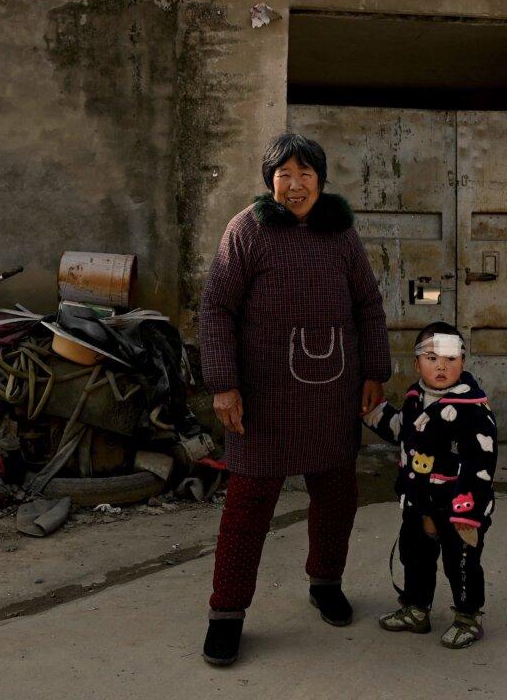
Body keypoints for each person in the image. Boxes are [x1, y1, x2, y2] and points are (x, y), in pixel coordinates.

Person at [198, 132, 390, 666]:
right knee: (247, 508)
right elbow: (216, 309)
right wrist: (223, 382)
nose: (296, 184)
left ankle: (325, 583)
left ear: (322, 182)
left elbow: (368, 305)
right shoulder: (248, 230)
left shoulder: (342, 234)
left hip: (333, 395)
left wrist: (376, 370)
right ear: (270, 181)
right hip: (261, 400)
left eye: (306, 174)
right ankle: (226, 615)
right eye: (285, 174)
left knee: (336, 497)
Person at [361, 322, 497, 649]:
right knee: (415, 557)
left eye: (451, 358)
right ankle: (416, 609)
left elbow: (481, 465)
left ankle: (467, 617)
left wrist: (468, 512)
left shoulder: (472, 410)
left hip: (457, 509)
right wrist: (371, 412)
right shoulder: (415, 398)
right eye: (431, 357)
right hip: (418, 502)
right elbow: (401, 430)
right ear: (416, 364)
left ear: (463, 361)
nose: (441, 366)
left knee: (460, 562)